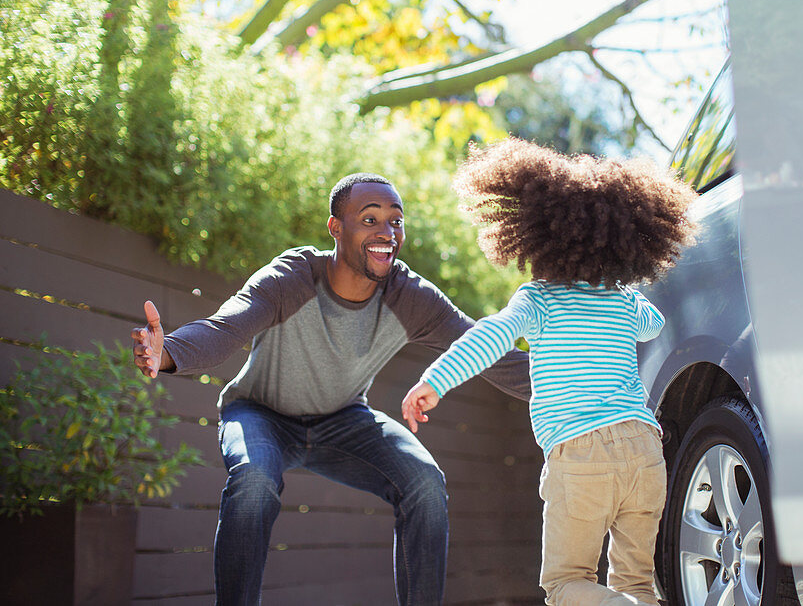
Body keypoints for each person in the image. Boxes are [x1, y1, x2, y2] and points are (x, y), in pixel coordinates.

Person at [130, 172, 530, 606]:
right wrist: (167, 352)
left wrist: (576, 383)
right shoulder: (292, 278)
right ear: (336, 228)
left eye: (395, 221)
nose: (386, 233)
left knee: (425, 482)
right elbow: (225, 328)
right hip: (260, 414)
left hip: (343, 420)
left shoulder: (409, 296)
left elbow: (485, 348)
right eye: (370, 219)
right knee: (254, 481)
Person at [400, 138, 697, 605]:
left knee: (565, 585)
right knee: (634, 586)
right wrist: (626, 290)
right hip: (644, 449)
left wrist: (435, 380)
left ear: (535, 235)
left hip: (581, 451)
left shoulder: (539, 299)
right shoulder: (622, 300)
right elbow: (653, 324)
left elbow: (492, 336)